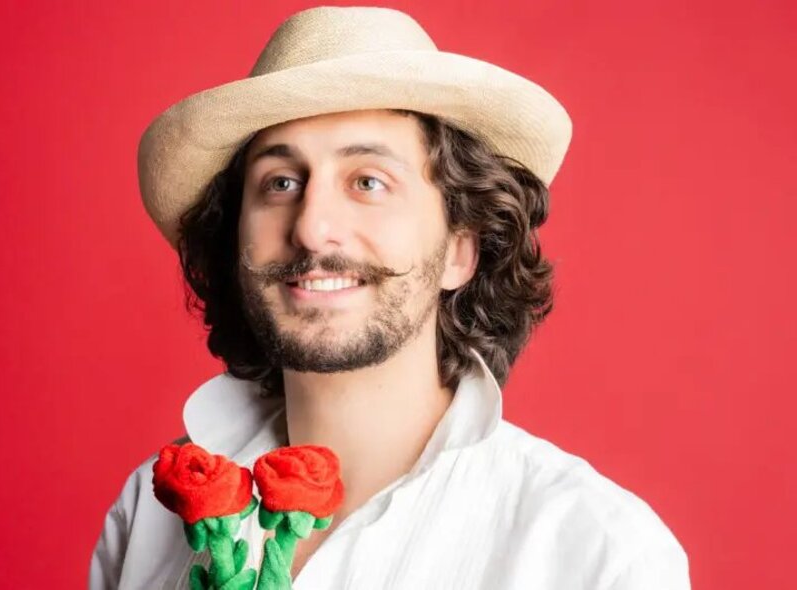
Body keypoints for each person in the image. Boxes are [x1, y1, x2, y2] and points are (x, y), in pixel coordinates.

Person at [89, 6, 690, 589]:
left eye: (368, 182)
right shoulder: (150, 514)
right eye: (281, 183)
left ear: (461, 248)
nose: (312, 226)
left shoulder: (597, 554)